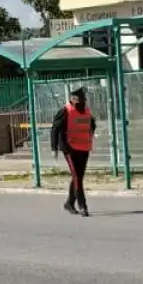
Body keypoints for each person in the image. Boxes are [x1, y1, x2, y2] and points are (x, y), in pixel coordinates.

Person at [49, 88, 95, 217]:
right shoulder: (65, 111)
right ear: (73, 99)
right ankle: (82, 206)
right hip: (70, 148)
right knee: (77, 178)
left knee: (78, 177)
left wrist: (91, 136)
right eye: (80, 100)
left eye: (84, 100)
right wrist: (54, 148)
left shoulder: (86, 111)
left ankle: (69, 203)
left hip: (84, 147)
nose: (83, 102)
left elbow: (92, 124)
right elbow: (54, 130)